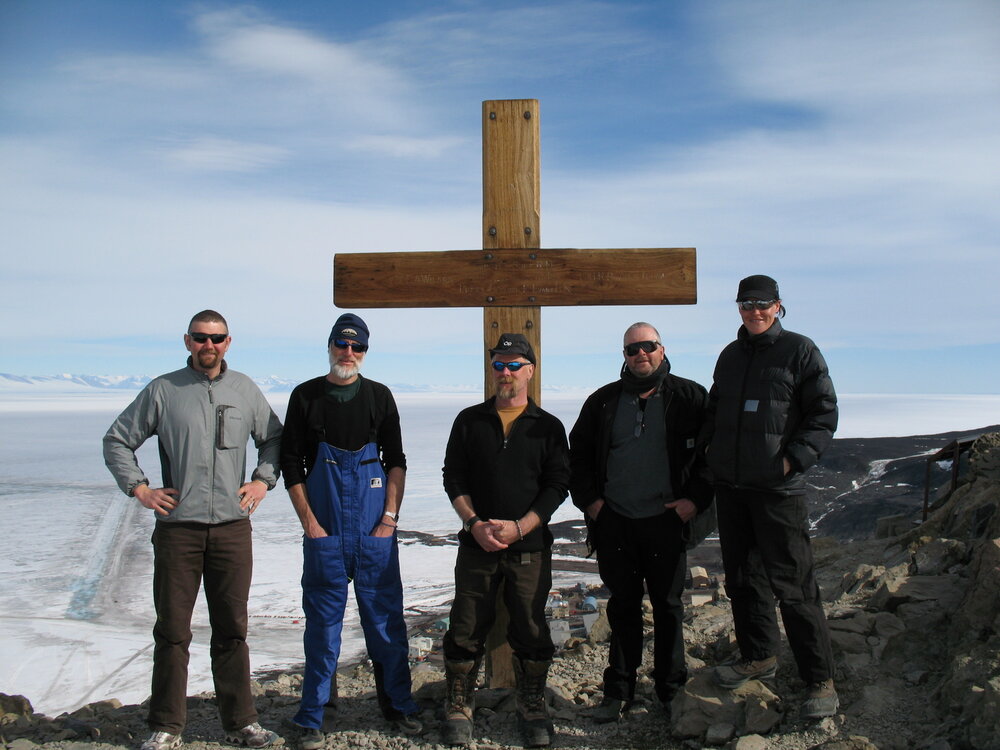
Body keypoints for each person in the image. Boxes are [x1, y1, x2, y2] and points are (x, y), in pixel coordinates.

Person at [103, 310, 283, 750]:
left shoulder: (244, 389)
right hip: (178, 530)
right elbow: (117, 440)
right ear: (187, 341)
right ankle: (166, 725)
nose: (210, 345)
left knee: (232, 629)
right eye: (201, 338)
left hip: (231, 529)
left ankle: (241, 722)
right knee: (172, 631)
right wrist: (141, 490)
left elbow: (275, 438)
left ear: (228, 341)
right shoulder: (164, 390)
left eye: (217, 338)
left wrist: (262, 480)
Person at [701, 274, 840, 720]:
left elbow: (823, 412)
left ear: (778, 306)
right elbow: (715, 411)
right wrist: (711, 456)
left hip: (778, 491)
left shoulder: (800, 350)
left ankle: (819, 678)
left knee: (795, 588)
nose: (754, 312)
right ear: (738, 308)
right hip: (734, 489)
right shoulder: (730, 355)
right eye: (746, 305)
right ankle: (759, 655)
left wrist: (791, 461)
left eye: (762, 304)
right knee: (742, 581)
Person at [279, 313, 420, 748]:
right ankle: (314, 715)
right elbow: (291, 465)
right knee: (322, 629)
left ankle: (397, 705)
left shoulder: (379, 397)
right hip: (326, 534)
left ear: (365, 352)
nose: (349, 352)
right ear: (330, 346)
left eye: (357, 347)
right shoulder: (306, 397)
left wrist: (389, 520)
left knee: (385, 624)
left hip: (374, 533)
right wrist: (311, 525)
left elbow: (395, 461)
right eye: (342, 344)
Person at [568, 322, 713, 722]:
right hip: (616, 522)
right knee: (623, 606)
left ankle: (671, 691)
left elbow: (711, 454)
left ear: (662, 350)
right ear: (624, 355)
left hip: (666, 521)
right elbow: (576, 456)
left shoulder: (690, 397)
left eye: (647, 346)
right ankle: (618, 690)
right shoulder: (603, 402)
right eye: (632, 350)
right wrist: (593, 504)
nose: (640, 354)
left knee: (668, 607)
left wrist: (694, 501)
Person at [440, 333, 570, 748]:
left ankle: (531, 701)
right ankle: (460, 700)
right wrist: (474, 523)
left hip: (528, 548)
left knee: (531, 625)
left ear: (530, 370)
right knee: (465, 623)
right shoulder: (469, 421)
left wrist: (521, 526)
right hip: (477, 545)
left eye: (515, 365)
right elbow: (453, 477)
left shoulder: (548, 427)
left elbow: (557, 486)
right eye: (499, 365)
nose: (506, 372)